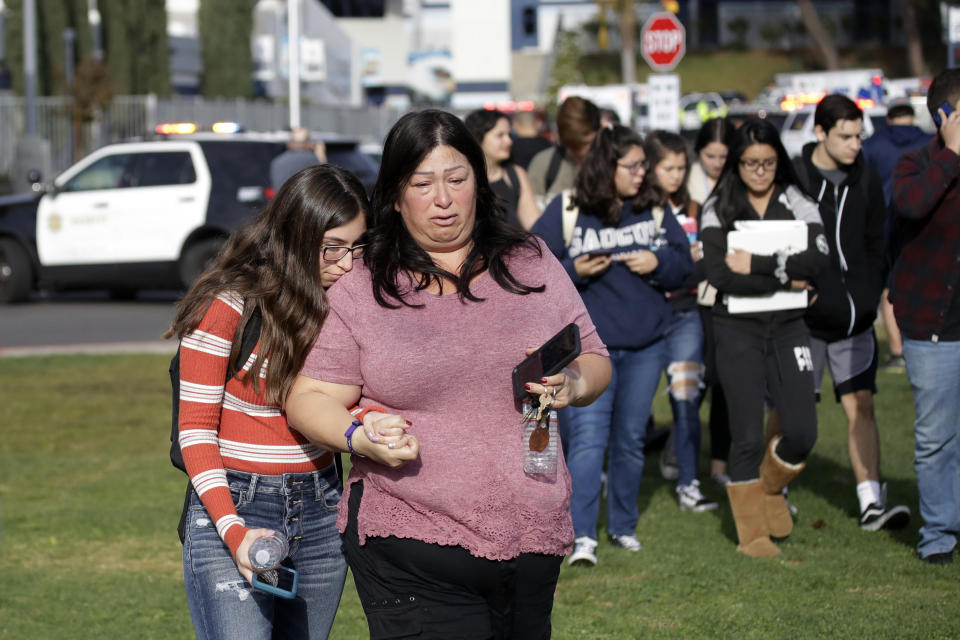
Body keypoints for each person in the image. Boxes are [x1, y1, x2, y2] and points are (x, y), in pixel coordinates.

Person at [285, 109, 611, 637]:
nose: (443, 199)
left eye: (457, 180)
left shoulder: (532, 262)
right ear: (394, 194)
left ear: (479, 183)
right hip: (410, 540)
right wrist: (358, 436)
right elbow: (310, 396)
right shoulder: (364, 286)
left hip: (532, 528)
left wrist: (574, 384)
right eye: (422, 184)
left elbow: (595, 358)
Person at [169, 165, 385, 639]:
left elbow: (344, 401)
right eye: (332, 248)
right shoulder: (229, 304)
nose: (348, 264)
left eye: (358, 247)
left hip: (322, 508)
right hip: (236, 504)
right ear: (295, 237)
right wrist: (234, 532)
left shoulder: (347, 308)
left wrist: (372, 424)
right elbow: (196, 432)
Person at [532, 125, 694, 566]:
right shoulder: (570, 208)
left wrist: (660, 261)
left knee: (629, 443)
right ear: (608, 167)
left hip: (645, 346)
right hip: (587, 352)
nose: (642, 173)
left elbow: (685, 265)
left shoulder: (654, 208)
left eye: (644, 165)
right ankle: (583, 535)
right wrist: (575, 268)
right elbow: (530, 265)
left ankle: (622, 526)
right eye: (633, 166)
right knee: (587, 443)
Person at [700, 118, 829, 557]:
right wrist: (787, 279)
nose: (760, 171)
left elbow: (816, 262)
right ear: (737, 163)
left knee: (802, 429)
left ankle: (772, 487)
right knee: (748, 435)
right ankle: (750, 534)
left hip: (791, 327)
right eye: (751, 163)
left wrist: (760, 265)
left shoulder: (796, 198)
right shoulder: (718, 205)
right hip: (736, 328)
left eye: (769, 162)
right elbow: (719, 274)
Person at [792, 94, 911, 532]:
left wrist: (868, 291)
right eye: (845, 136)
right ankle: (775, 494)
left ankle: (870, 502)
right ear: (820, 132)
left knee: (861, 405)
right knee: (793, 411)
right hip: (805, 321)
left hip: (855, 319)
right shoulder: (797, 176)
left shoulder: (866, 175)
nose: (854, 145)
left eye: (859, 136)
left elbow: (875, 241)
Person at [889, 68, 960, 565]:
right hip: (931, 325)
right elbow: (912, 207)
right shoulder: (914, 164)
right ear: (945, 116)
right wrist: (953, 155)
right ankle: (939, 534)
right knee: (936, 438)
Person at [641, 130, 718, 513]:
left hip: (686, 314)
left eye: (680, 168)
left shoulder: (695, 209)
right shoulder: (638, 211)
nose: (674, 175)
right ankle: (615, 480)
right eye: (666, 167)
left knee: (686, 400)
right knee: (632, 408)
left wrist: (681, 263)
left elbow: (702, 265)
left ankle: (689, 482)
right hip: (647, 315)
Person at [863, 100, 933, 373]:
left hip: (884, 223)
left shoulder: (874, 144)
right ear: (912, 118)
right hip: (926, 222)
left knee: (889, 288)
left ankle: (897, 351)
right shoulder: (931, 142)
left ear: (889, 119)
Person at [686, 117, 736, 487]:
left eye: (723, 155)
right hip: (695, 296)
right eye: (710, 155)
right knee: (696, 380)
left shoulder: (738, 186)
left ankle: (720, 464)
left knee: (723, 381)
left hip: (730, 292)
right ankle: (682, 449)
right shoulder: (685, 185)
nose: (717, 162)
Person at [464, 109, 541, 229]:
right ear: (478, 138)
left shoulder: (515, 175)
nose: (509, 141)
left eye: (509, 135)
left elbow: (535, 226)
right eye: (500, 135)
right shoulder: (462, 179)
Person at [527, 96, 601, 210]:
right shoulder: (543, 164)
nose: (581, 152)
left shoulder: (612, 163)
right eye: (573, 146)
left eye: (586, 143)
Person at [687, 117, 733, 206]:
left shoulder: (742, 178)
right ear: (698, 150)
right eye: (710, 156)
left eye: (724, 157)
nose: (717, 164)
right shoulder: (685, 178)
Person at [270, 127, 327, 192]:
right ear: (309, 144)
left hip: (282, 200)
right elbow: (324, 178)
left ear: (289, 144)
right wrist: (321, 154)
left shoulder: (277, 161)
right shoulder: (312, 159)